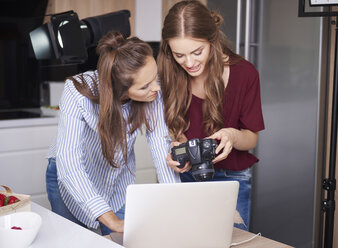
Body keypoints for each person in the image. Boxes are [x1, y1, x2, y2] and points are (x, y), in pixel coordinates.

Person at [45, 31, 180, 235]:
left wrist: (177, 205)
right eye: (145, 86)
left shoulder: (152, 91)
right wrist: (112, 221)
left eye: (155, 78)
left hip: (117, 183)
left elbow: (162, 150)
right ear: (120, 88)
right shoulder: (77, 91)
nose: (156, 89)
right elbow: (70, 165)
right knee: (73, 241)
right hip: (70, 181)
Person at [157, 0, 264, 231]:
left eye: (197, 52)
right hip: (183, 178)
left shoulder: (245, 74)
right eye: (179, 55)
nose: (189, 63)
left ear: (212, 40)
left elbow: (251, 138)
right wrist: (178, 150)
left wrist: (232, 136)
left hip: (231, 178)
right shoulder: (168, 72)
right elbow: (164, 130)